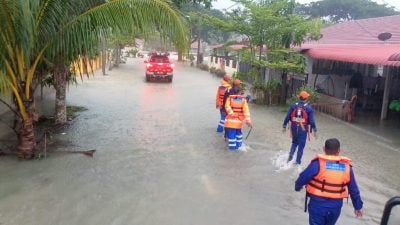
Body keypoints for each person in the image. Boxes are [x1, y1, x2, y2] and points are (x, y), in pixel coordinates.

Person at [295, 138, 363, 225]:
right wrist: (358, 207)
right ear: (339, 151)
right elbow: (353, 189)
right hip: (335, 208)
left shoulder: (317, 164)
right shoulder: (347, 167)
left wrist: (297, 187)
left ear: (324, 149)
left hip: (317, 206)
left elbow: (302, 178)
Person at [282, 90, 317, 164]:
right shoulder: (308, 108)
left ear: (299, 98)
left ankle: (290, 156)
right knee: (301, 146)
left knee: (294, 142)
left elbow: (287, 117)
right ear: (306, 98)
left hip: (294, 126)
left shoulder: (293, 106)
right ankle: (297, 162)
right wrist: (314, 130)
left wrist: (284, 126)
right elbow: (312, 121)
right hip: (303, 128)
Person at [224, 79, 252, 150]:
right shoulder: (243, 100)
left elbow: (227, 107)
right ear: (239, 92)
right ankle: (239, 146)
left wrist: (232, 114)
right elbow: (246, 111)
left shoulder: (229, 98)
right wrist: (248, 121)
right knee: (238, 134)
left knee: (231, 136)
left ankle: (232, 150)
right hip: (239, 122)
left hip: (230, 122)